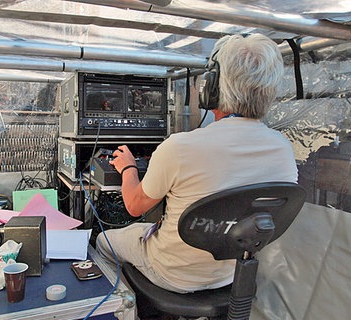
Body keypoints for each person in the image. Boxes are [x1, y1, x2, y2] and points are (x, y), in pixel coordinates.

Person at [95, 34, 298, 293]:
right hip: (231, 273)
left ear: (210, 88)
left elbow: (134, 206)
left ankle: (127, 306)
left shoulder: (179, 147)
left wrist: (129, 168)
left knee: (103, 241)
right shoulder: (282, 148)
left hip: (173, 273)